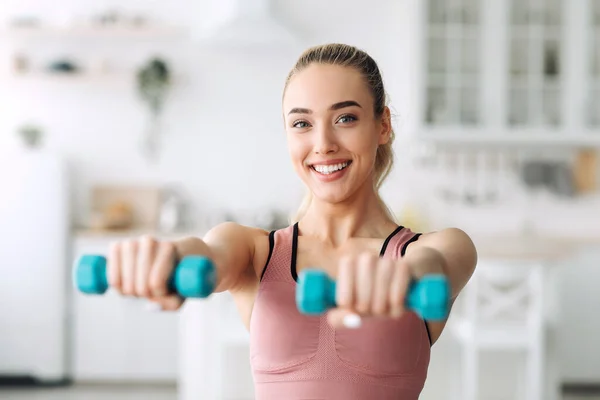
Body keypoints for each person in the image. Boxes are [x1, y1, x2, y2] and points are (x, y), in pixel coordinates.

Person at [106, 43, 478, 399]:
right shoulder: (255, 252)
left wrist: (400, 277)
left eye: (345, 118)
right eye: (302, 124)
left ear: (383, 125)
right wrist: (167, 257)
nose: (323, 143)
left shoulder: (436, 248)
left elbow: (433, 267)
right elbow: (206, 254)